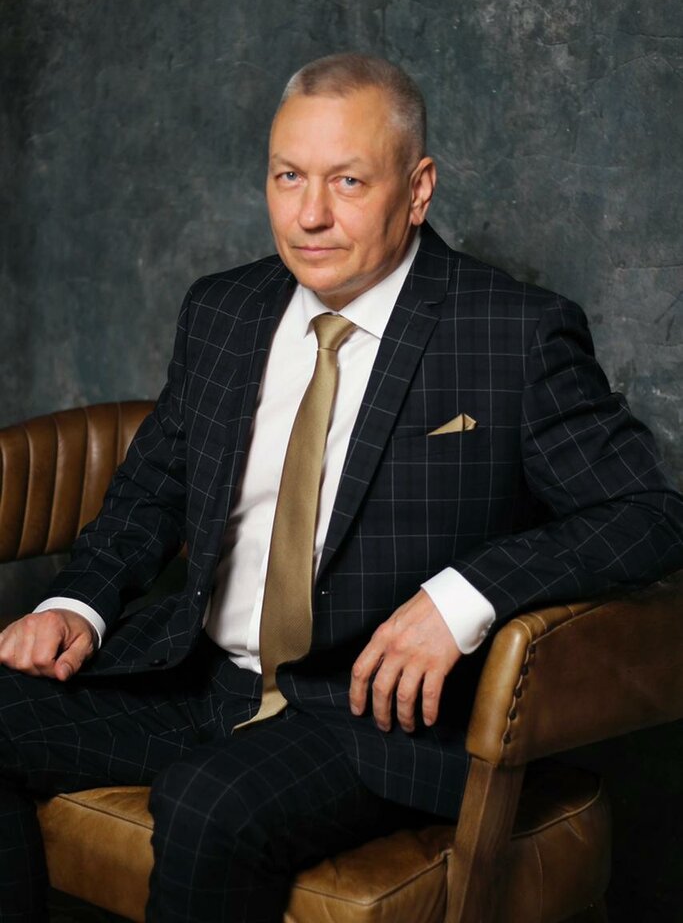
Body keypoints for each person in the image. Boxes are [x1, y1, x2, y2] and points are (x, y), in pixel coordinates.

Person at [0, 53, 681, 923]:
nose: (310, 214)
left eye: (348, 181)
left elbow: (649, 515)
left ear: (418, 188)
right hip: (200, 678)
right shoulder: (224, 310)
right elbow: (152, 491)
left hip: (370, 719)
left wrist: (462, 596)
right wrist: (77, 604)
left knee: (208, 803)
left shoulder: (511, 333)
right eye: (288, 176)